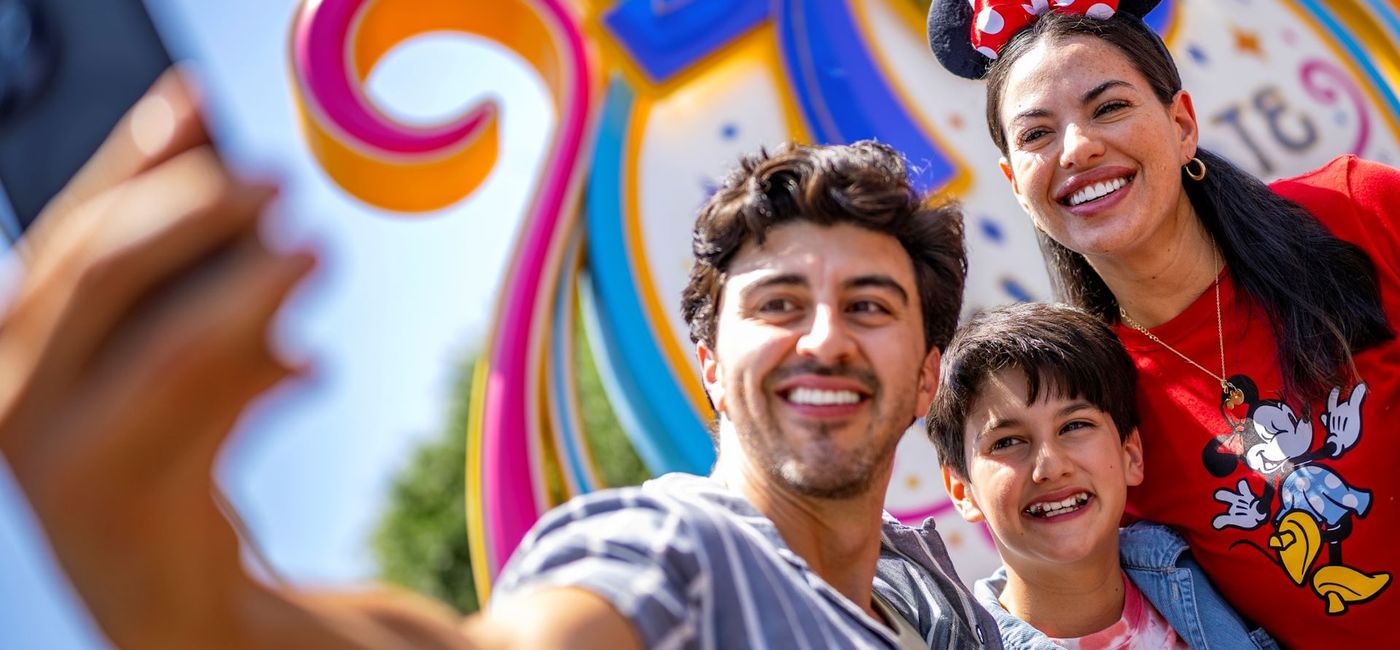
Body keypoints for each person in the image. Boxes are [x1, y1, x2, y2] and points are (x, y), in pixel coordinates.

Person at [0, 71, 999, 648]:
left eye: (868, 305)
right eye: (778, 303)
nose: (822, 335)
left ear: (924, 376)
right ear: (707, 362)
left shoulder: (936, 594)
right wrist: (199, 603)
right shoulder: (672, 554)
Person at [928, 1, 1400, 645]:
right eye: (1037, 134)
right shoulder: (1098, 406)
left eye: (1109, 107)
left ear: (1182, 124)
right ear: (1015, 182)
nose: (1079, 147)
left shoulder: (1358, 210)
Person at [927, 302, 1275, 649]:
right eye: (1007, 442)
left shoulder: (1222, 576)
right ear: (961, 490)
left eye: (1075, 426)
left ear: (1131, 455)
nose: (1051, 467)